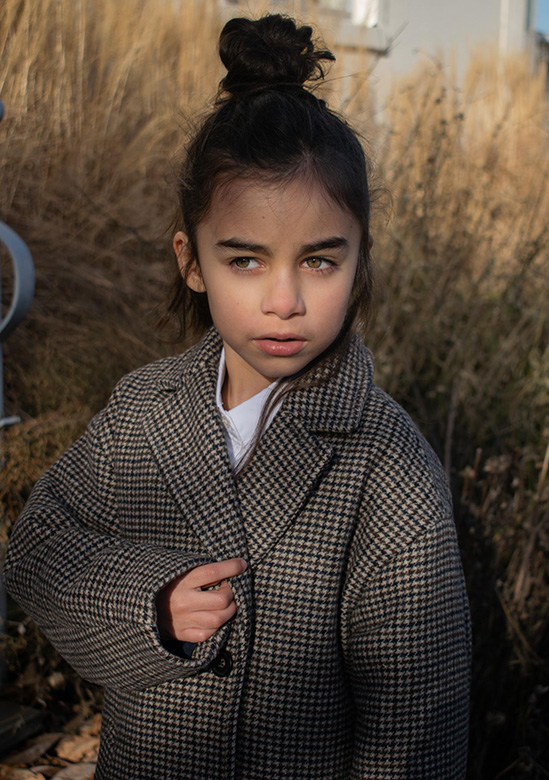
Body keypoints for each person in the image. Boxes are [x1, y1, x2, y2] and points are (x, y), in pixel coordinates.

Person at [3, 13, 471, 780]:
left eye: (319, 262)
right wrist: (148, 607)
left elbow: (415, 726)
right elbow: (38, 549)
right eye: (246, 261)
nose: (283, 300)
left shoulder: (389, 469)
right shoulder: (144, 410)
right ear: (192, 262)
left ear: (360, 263)